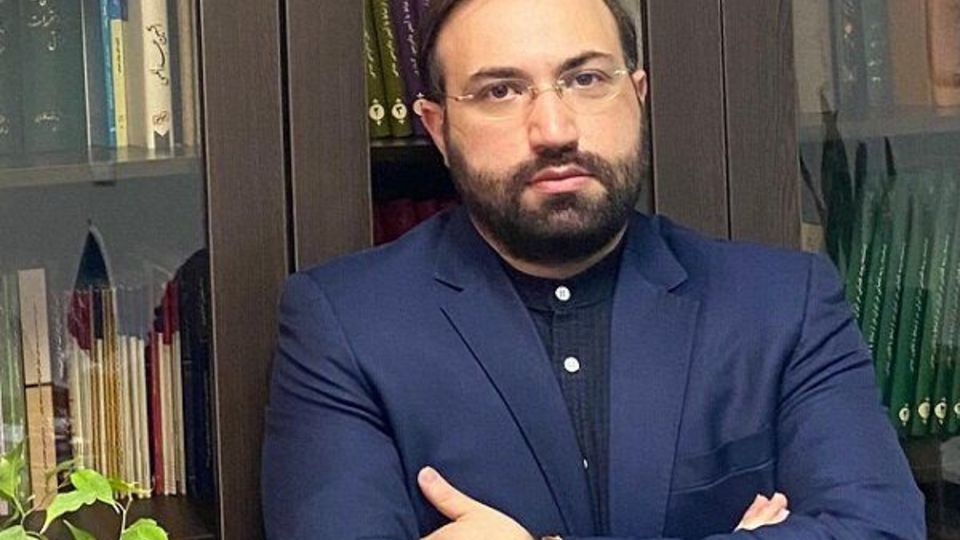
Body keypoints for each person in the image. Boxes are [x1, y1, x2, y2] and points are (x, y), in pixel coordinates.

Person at [261, 0, 926, 538]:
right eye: (500, 90)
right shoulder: (346, 324)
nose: (554, 129)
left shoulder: (783, 303)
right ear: (438, 128)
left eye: (585, 79)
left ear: (637, 95)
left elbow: (880, 528)